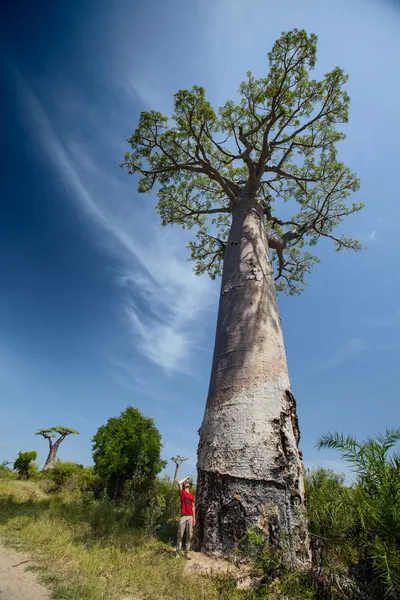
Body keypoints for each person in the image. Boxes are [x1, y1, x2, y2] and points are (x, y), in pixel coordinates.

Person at [176, 476, 195, 559]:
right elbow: (178, 483)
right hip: (183, 516)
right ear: (184, 486)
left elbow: (193, 507)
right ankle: (178, 552)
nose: (187, 484)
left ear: (189, 486)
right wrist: (185, 479)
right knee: (180, 534)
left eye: (187, 483)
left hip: (190, 516)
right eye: (185, 484)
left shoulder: (191, 496)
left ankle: (187, 552)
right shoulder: (182, 493)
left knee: (190, 535)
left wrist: (194, 518)